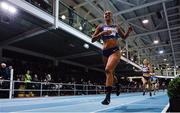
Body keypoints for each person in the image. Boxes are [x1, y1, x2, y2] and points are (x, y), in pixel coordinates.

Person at [91, 10, 133, 105]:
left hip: (115, 50)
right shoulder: (100, 27)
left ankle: (107, 98)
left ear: (111, 16)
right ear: (104, 16)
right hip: (105, 52)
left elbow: (124, 37)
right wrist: (102, 33)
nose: (107, 15)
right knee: (110, 73)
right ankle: (117, 85)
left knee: (108, 70)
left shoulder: (116, 27)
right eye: (105, 14)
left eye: (109, 14)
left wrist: (128, 31)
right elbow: (92, 39)